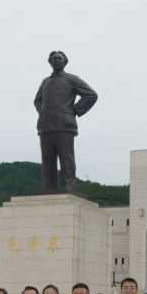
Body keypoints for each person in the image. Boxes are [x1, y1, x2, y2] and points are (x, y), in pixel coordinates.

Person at [34, 50, 98, 192]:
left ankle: (68, 185)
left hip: (64, 124)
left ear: (65, 61)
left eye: (59, 58)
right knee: (47, 159)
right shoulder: (45, 82)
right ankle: (48, 187)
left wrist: (74, 110)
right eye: (54, 58)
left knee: (66, 157)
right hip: (45, 125)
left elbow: (91, 95)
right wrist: (43, 112)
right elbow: (37, 101)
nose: (57, 60)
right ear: (50, 62)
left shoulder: (71, 79)